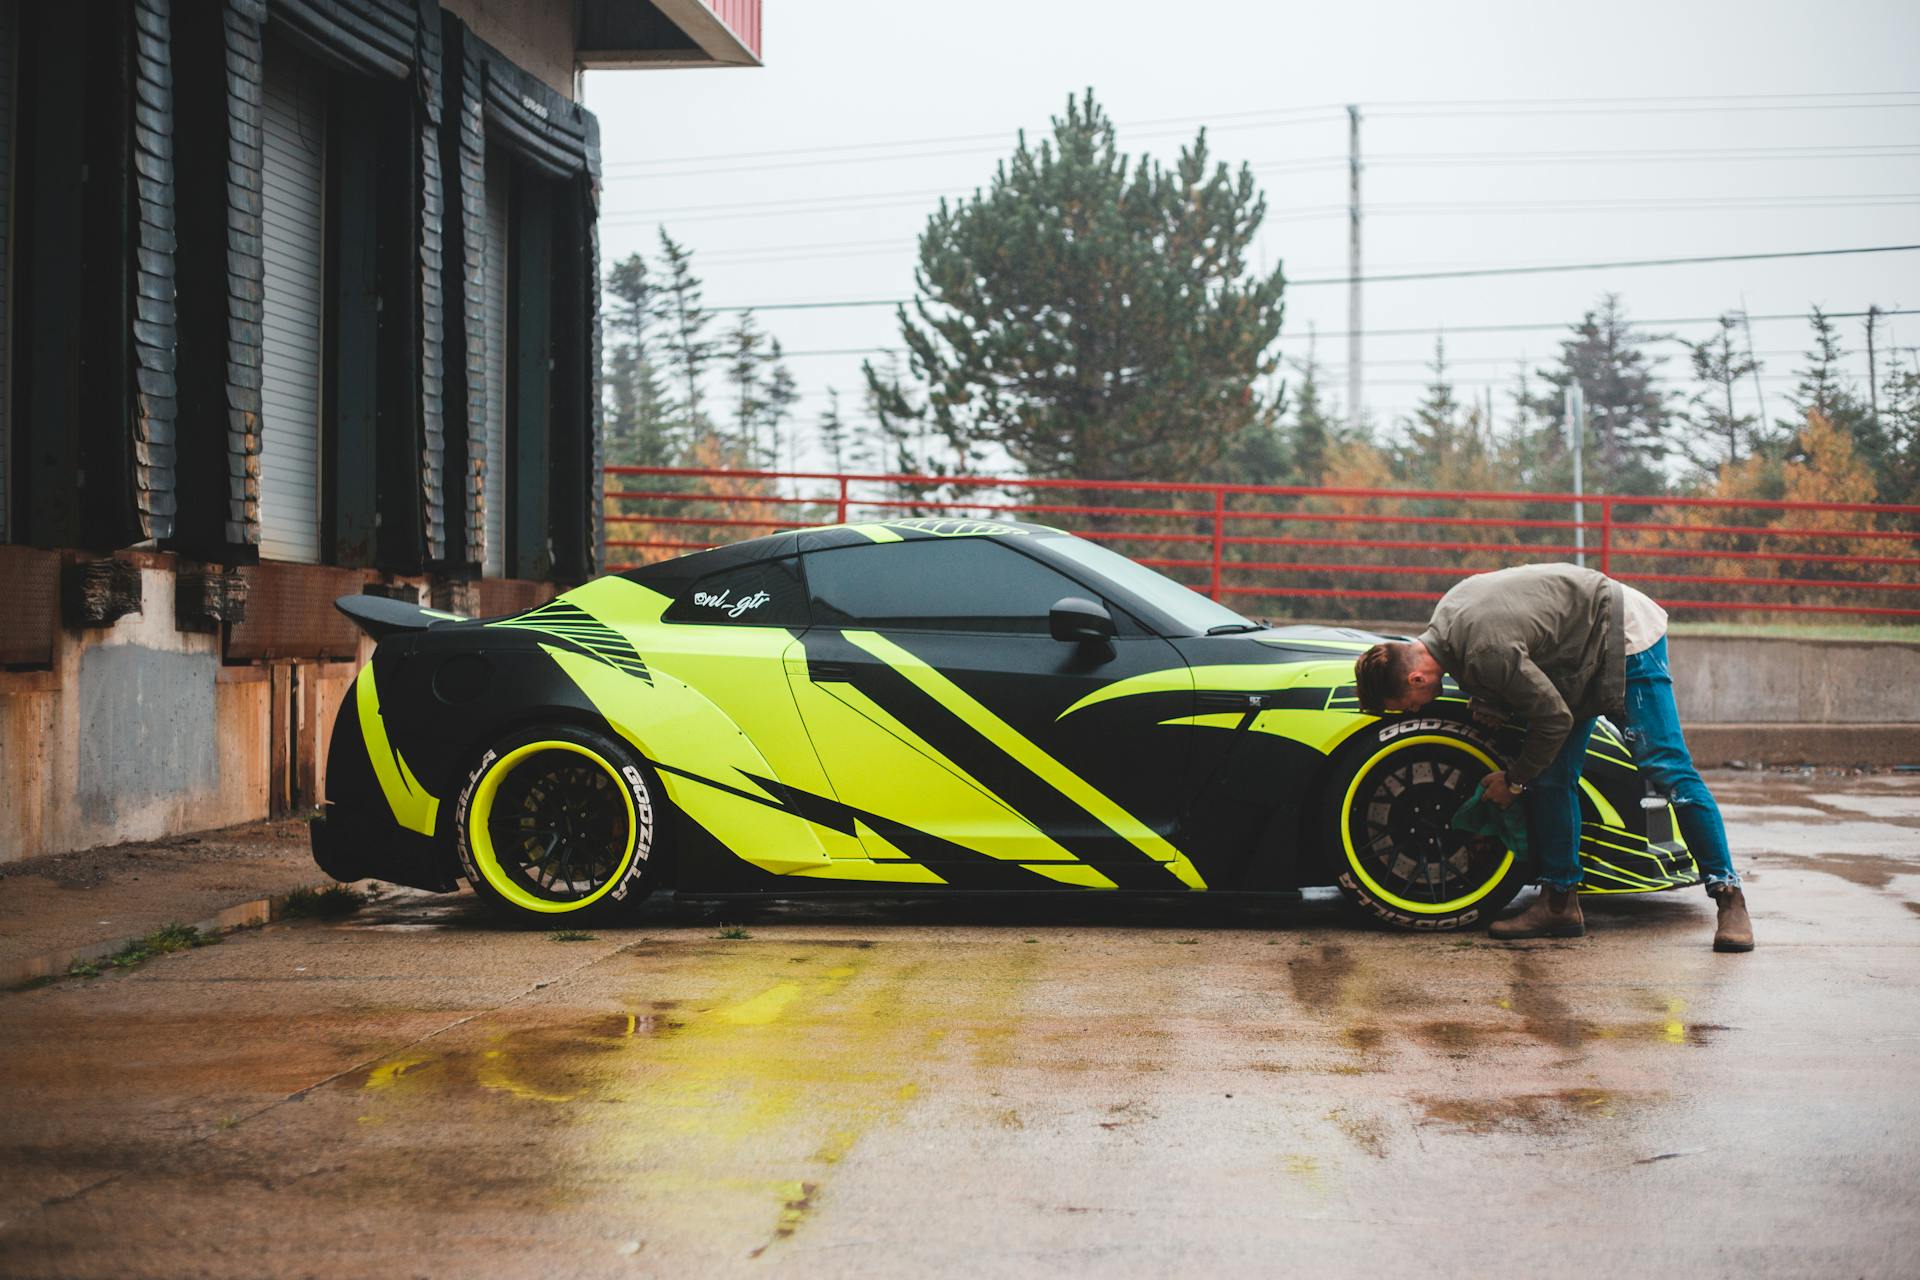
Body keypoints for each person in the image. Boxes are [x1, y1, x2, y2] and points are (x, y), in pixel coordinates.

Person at [1352, 562, 1752, 952]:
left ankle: (1729, 897)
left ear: (1416, 679)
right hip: (1574, 656)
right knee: (1552, 778)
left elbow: (1553, 719)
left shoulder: (1484, 651)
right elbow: (1516, 645)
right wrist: (1491, 700)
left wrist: (1513, 781)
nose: (1415, 711)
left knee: (1668, 771)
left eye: (1406, 704)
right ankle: (1559, 904)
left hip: (1622, 633)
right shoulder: (1447, 617)